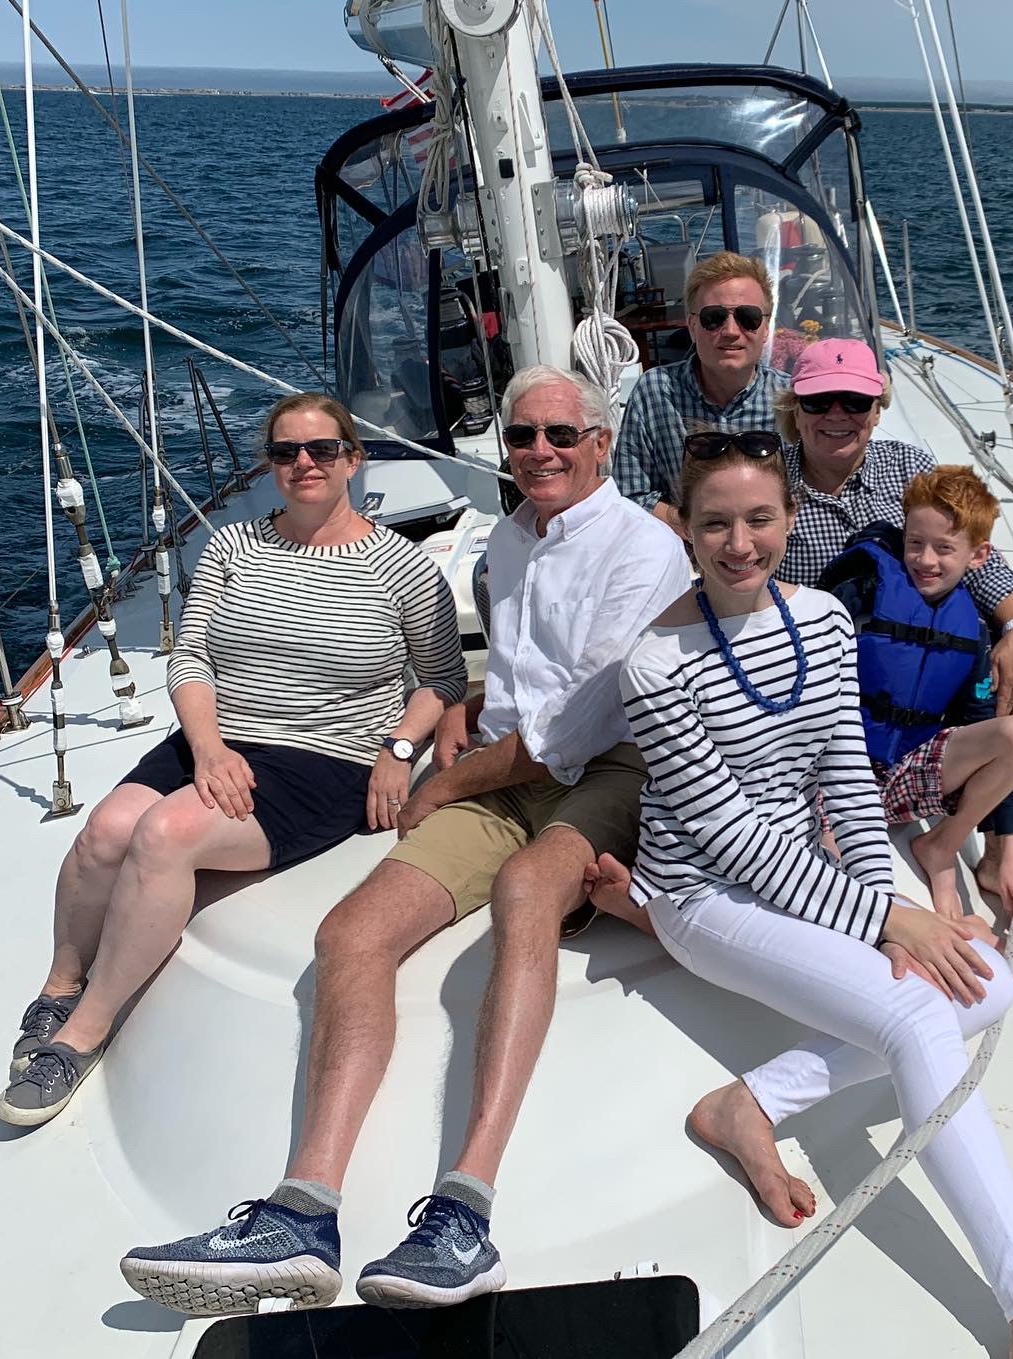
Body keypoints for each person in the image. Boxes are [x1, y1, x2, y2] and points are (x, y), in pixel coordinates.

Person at [120, 365, 690, 1316]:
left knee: (523, 892)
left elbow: (572, 729)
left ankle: (463, 1214)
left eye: (561, 434)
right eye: (522, 436)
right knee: (350, 933)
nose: (539, 451)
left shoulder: (644, 549)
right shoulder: (508, 539)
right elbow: (528, 680)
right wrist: (463, 708)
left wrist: (443, 781)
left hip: (606, 772)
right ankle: (302, 1212)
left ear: (601, 442)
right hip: (506, 772)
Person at [586, 433, 1013, 1359]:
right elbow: (727, 839)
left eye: (760, 518)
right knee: (919, 1015)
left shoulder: (819, 619)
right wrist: (888, 917)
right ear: (684, 527)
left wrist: (881, 905)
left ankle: (750, 1102)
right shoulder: (655, 665)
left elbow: (847, 777)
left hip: (802, 866)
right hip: (705, 893)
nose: (740, 543)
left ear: (791, 518)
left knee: (984, 984)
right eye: (715, 523)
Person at [0, 392, 467, 1128]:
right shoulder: (233, 545)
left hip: (324, 758)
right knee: (107, 829)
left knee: (164, 834)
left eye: (322, 449)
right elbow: (191, 657)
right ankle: (61, 983)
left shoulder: (402, 568)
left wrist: (399, 749)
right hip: (219, 735)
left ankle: (82, 1031)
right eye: (285, 452)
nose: (304, 463)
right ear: (271, 464)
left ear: (353, 458)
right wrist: (209, 747)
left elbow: (443, 678)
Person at [775, 335, 1013, 912]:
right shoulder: (771, 481)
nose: (836, 414)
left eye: (855, 401)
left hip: (926, 662)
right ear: (794, 411)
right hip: (834, 679)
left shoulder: (906, 467)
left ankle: (1003, 855)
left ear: (877, 410)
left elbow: (974, 554)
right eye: (818, 401)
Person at [820, 465, 1013, 971]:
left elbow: (982, 723)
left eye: (944, 549)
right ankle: (959, 934)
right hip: (836, 772)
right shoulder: (860, 592)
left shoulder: (973, 629)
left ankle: (942, 846)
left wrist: (1007, 845)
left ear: (978, 556)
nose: (926, 560)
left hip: (905, 775)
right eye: (915, 543)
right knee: (828, 860)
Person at [612, 250, 787, 525]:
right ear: (692, 326)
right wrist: (696, 527)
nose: (731, 331)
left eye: (748, 317)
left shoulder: (788, 398)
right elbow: (629, 494)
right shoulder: (654, 392)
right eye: (713, 318)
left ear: (766, 328)